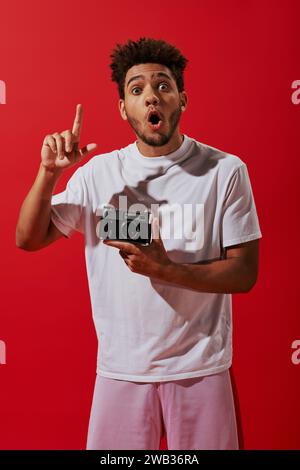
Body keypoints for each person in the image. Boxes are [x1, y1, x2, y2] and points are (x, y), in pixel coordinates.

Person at [16, 37, 262, 450]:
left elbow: (244, 272)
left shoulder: (225, 171)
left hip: (199, 368)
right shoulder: (99, 174)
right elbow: (28, 238)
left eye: (163, 86)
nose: (152, 95)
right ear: (123, 108)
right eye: (137, 89)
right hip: (121, 370)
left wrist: (163, 269)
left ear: (182, 99)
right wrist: (48, 173)